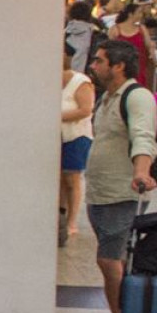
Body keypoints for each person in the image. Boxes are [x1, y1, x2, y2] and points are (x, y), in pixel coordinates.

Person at [79, 40, 157, 313]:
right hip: (102, 192)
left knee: (110, 261)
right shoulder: (108, 98)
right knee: (110, 261)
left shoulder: (137, 97)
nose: (94, 66)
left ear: (118, 66)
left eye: (99, 61)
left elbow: (144, 138)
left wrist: (141, 171)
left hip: (122, 193)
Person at [61, 41, 97, 248]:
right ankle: (60, 217)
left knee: (72, 177)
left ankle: (72, 221)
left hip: (76, 136)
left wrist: (59, 116)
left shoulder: (81, 81)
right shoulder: (48, 81)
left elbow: (85, 110)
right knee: (59, 179)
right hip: (56, 137)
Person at [108, 1, 155, 87]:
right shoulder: (115, 29)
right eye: (139, 12)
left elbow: (149, 45)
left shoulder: (141, 29)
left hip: (139, 68)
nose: (141, 15)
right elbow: (109, 49)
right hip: (121, 68)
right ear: (130, 14)